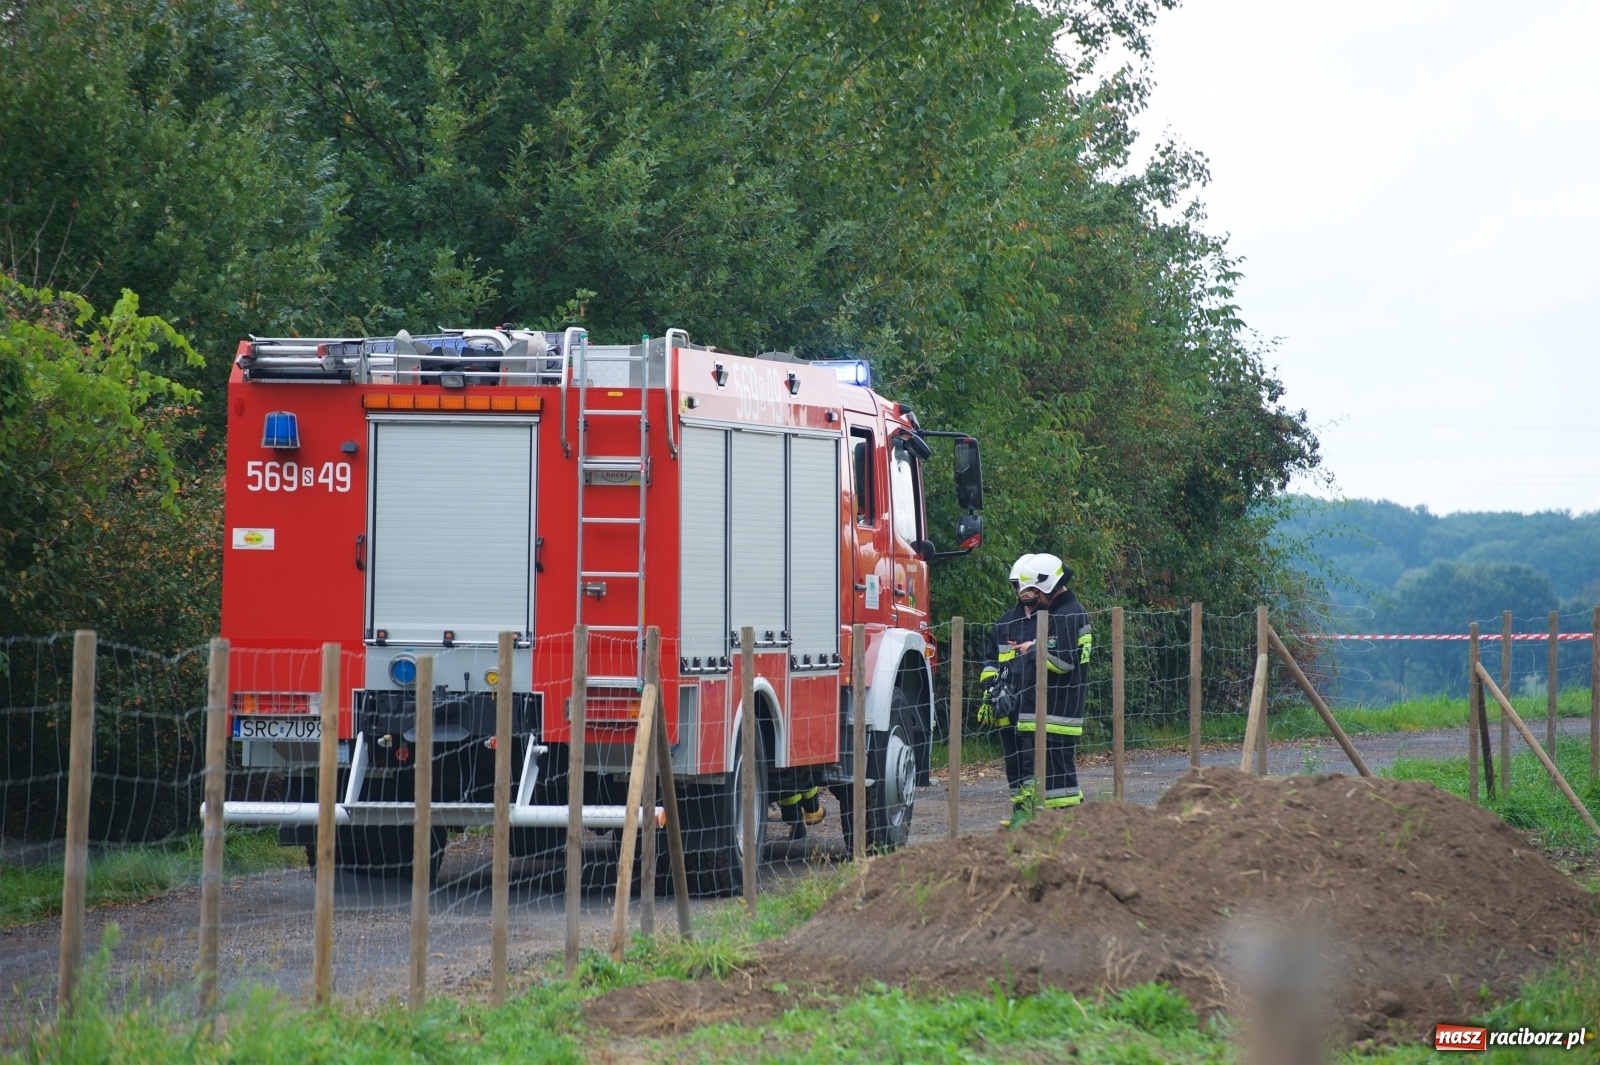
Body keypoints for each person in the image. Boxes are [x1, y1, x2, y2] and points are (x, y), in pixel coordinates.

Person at [977, 552, 1091, 819]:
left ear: (1047, 586)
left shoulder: (1062, 615)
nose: (1029, 594)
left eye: (1034, 589)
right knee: (1025, 773)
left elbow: (1062, 661)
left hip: (1050, 711)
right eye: (1021, 587)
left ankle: (1060, 821)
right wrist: (990, 692)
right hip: (1018, 713)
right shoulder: (1008, 622)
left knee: (1054, 776)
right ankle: (1028, 817)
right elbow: (990, 662)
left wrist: (1031, 649)